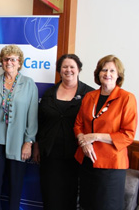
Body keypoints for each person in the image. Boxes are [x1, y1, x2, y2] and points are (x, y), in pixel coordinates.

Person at [74, 55, 138, 210]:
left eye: (111, 70)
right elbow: (78, 125)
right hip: (87, 161)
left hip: (111, 166)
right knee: (86, 205)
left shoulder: (127, 98)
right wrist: (84, 142)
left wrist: (94, 137)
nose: (107, 74)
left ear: (118, 75)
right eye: (104, 70)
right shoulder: (90, 96)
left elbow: (128, 135)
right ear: (98, 73)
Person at [0, 45, 38, 210]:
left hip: (18, 143)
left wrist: (28, 142)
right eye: (6, 59)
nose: (9, 62)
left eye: (13, 59)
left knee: (15, 184)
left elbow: (32, 117)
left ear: (19, 63)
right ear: (2, 62)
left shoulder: (29, 84)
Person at [33, 54, 94, 209]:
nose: (68, 70)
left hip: (76, 154)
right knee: (50, 194)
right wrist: (37, 146)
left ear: (79, 69)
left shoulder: (90, 94)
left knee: (70, 196)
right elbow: (41, 121)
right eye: (64, 67)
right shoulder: (49, 93)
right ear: (59, 70)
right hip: (50, 153)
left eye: (72, 67)